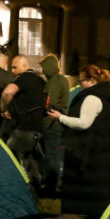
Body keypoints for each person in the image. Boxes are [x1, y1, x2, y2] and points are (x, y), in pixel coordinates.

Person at [48, 65, 110, 219]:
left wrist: (60, 118)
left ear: (92, 81)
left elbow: (83, 123)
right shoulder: (107, 96)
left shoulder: (92, 97)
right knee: (101, 193)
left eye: (82, 81)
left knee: (92, 195)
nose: (80, 84)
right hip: (104, 153)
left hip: (92, 154)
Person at [0, 55, 48, 185]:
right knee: (31, 159)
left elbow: (7, 93)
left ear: (25, 66)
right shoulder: (40, 80)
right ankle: (37, 185)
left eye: (15, 67)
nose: (12, 71)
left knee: (12, 155)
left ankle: (19, 187)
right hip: (37, 127)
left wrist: (4, 109)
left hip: (24, 127)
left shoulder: (24, 77)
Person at [40, 54, 69, 191]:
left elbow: (49, 102)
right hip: (57, 123)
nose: (43, 72)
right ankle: (53, 182)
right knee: (54, 154)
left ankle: (51, 185)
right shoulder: (62, 79)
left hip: (51, 123)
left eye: (44, 69)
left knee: (51, 155)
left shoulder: (54, 82)